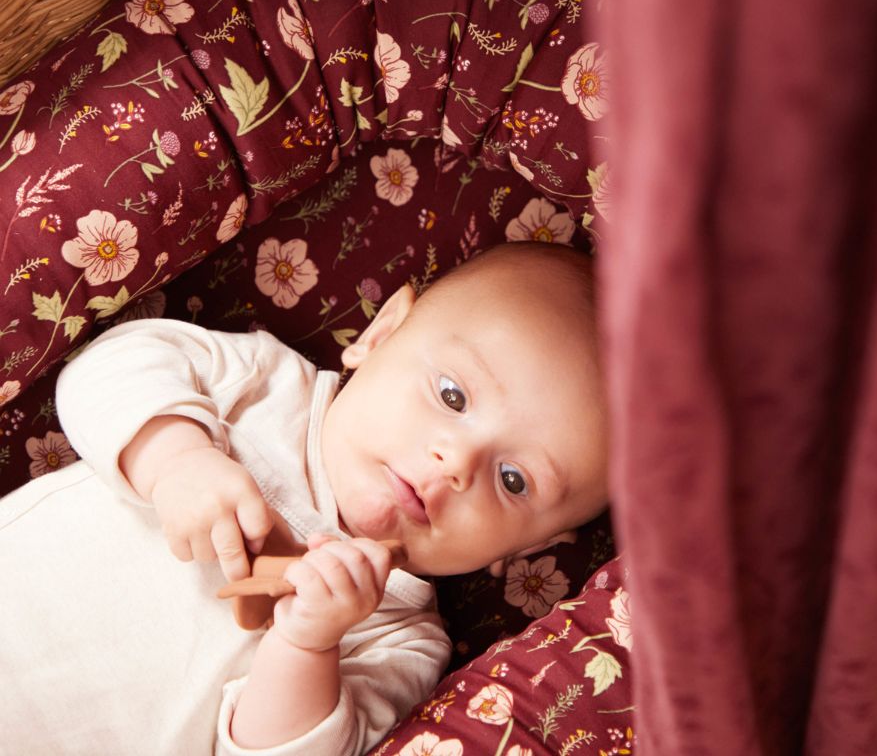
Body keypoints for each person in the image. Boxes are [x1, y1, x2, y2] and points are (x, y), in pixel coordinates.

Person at [0, 241, 609, 756]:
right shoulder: (263, 387)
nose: (456, 463)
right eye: (452, 395)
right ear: (379, 334)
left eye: (513, 480)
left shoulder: (403, 641)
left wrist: (306, 644)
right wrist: (176, 459)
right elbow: (104, 368)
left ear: (530, 546)